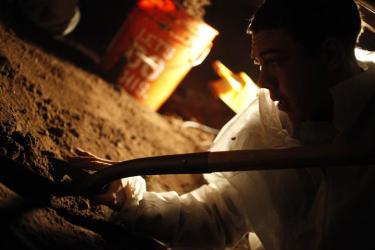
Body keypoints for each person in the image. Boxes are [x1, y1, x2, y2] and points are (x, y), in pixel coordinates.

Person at [70, 0, 375, 249]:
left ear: (330, 55)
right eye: (260, 63)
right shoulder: (273, 123)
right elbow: (218, 219)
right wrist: (127, 196)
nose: (264, 84)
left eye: (274, 61)